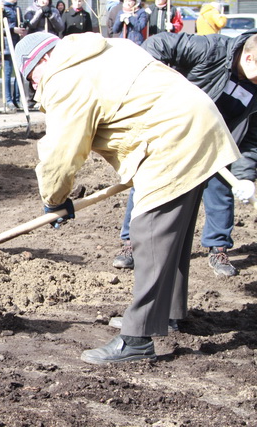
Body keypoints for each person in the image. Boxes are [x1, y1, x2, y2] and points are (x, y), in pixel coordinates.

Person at [15, 31, 240, 365]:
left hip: (170, 139)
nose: (35, 86)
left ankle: (137, 337)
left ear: (42, 60)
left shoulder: (65, 77)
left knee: (149, 234)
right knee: (171, 236)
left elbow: (61, 154)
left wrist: (54, 199)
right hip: (199, 124)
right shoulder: (104, 47)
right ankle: (168, 314)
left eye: (31, 77)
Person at [111, 30, 257, 278]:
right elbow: (158, 44)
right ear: (250, 58)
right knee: (149, 183)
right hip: (177, 132)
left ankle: (218, 248)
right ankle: (132, 244)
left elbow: (252, 135)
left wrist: (245, 176)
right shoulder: (211, 49)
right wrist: (152, 86)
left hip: (218, 144)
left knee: (221, 191)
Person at [0, 0, 27, 111]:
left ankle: (17, 99)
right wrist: (12, 29)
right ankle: (8, 100)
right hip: (6, 44)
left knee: (19, 72)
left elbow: (20, 23)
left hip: (17, 44)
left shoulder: (17, 9)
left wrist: (23, 26)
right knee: (8, 73)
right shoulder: (1, 8)